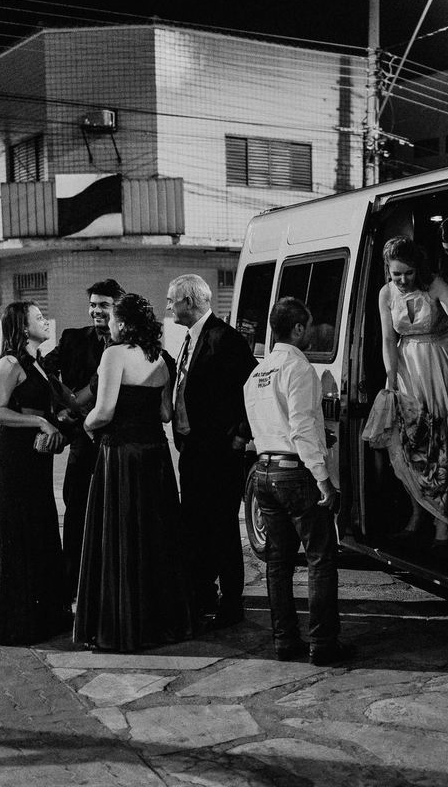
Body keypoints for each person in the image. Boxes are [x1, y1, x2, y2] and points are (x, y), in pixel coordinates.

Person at [74, 293, 195, 651]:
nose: (107, 324)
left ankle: (122, 626)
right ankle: (160, 623)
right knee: (155, 538)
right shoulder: (161, 358)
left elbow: (104, 411)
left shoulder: (113, 354)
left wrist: (85, 425)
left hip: (121, 455)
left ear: (123, 324)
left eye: (111, 318)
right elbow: (165, 415)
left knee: (121, 537)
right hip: (154, 456)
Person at [243, 297, 353, 665]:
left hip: (264, 471)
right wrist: (324, 480)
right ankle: (323, 644)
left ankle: (284, 641)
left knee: (278, 562)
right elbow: (302, 427)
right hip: (296, 474)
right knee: (321, 558)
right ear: (298, 329)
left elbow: (272, 426)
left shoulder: (258, 372)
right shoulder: (300, 368)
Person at [167, 273, 257, 629]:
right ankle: (203, 593)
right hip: (193, 450)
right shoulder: (189, 339)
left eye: (172, 300)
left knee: (220, 528)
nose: (168, 306)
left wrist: (241, 435)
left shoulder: (224, 338)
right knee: (195, 526)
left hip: (220, 452)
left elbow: (250, 388)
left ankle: (231, 601)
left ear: (190, 302)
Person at [0, 302, 71, 646]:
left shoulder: (38, 362)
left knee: (40, 528)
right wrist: (38, 420)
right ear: (22, 326)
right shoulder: (9, 363)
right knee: (19, 530)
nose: (45, 320)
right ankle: (16, 621)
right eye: (37, 317)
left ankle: (45, 616)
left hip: (37, 456)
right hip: (15, 456)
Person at [377, 235, 448, 545]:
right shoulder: (386, 294)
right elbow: (388, 340)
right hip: (407, 370)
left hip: (439, 362)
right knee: (410, 443)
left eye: (408, 273)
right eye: (395, 274)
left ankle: (444, 520)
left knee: (441, 439)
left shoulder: (436, 284)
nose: (402, 280)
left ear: (419, 268)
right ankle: (418, 513)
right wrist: (390, 380)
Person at [44, 278, 125, 603]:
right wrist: (62, 411)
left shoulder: (128, 345)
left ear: (117, 306)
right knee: (77, 512)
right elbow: (40, 370)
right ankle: (74, 585)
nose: (96, 311)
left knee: (115, 517)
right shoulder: (74, 339)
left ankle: (111, 586)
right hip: (82, 444)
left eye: (103, 305)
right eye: (93, 305)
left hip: (118, 443)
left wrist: (77, 406)